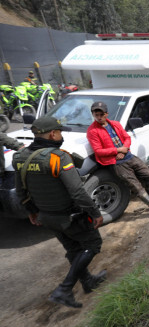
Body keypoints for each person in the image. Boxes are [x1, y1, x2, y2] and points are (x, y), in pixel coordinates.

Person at [13, 116, 107, 308]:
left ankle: (88, 282)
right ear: (53, 134)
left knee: (73, 249)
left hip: (46, 216)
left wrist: (31, 211)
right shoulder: (58, 157)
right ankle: (64, 289)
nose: (61, 136)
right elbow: (78, 191)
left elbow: (20, 190)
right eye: (60, 132)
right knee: (93, 244)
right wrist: (95, 212)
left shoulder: (21, 157)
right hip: (70, 216)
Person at [86, 102, 149, 216]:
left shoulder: (115, 124)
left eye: (101, 114)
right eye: (96, 114)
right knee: (136, 186)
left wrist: (125, 148)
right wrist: (117, 150)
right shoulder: (92, 131)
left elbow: (126, 138)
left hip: (129, 156)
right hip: (116, 162)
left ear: (106, 114)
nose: (98, 117)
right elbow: (98, 151)